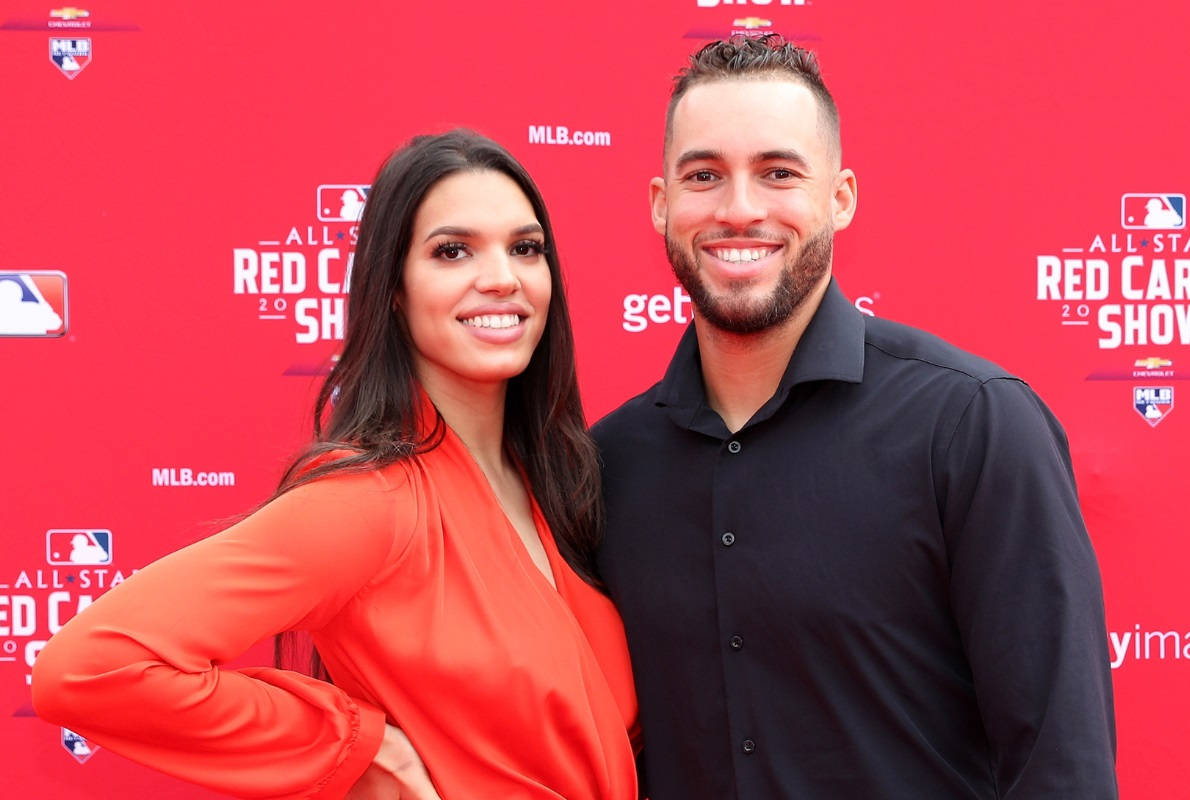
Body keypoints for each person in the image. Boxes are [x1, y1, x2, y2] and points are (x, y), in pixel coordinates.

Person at [33, 130, 640, 800]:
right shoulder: (370, 500)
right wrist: (363, 746)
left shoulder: (561, 482)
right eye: (452, 251)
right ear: (394, 291)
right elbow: (89, 669)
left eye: (525, 248)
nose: (501, 277)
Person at [592, 35, 1118, 798]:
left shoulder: (972, 425)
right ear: (661, 203)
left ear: (839, 197)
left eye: (778, 174)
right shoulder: (608, 464)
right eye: (704, 175)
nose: (740, 210)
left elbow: (1059, 765)